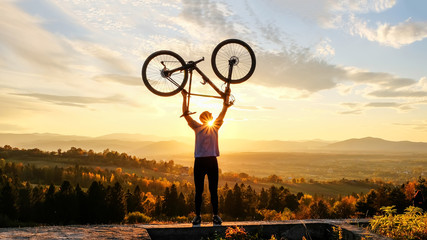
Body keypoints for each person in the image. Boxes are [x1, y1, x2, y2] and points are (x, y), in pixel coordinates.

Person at [181, 88, 232, 226]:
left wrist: (185, 97)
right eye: (210, 114)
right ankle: (208, 216)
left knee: (205, 191)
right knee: (206, 190)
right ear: (206, 118)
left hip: (203, 161)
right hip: (209, 161)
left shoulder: (200, 127)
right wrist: (226, 98)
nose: (212, 115)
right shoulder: (211, 127)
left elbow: (185, 114)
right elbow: (224, 111)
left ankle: (204, 216)